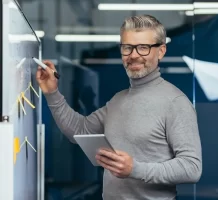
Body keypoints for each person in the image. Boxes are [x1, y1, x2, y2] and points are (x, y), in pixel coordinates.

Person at [36, 14, 202, 200]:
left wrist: (135, 169)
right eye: (127, 47)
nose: (133, 55)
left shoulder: (175, 102)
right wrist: (52, 92)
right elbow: (79, 131)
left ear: (161, 51)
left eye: (143, 48)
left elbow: (192, 168)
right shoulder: (118, 100)